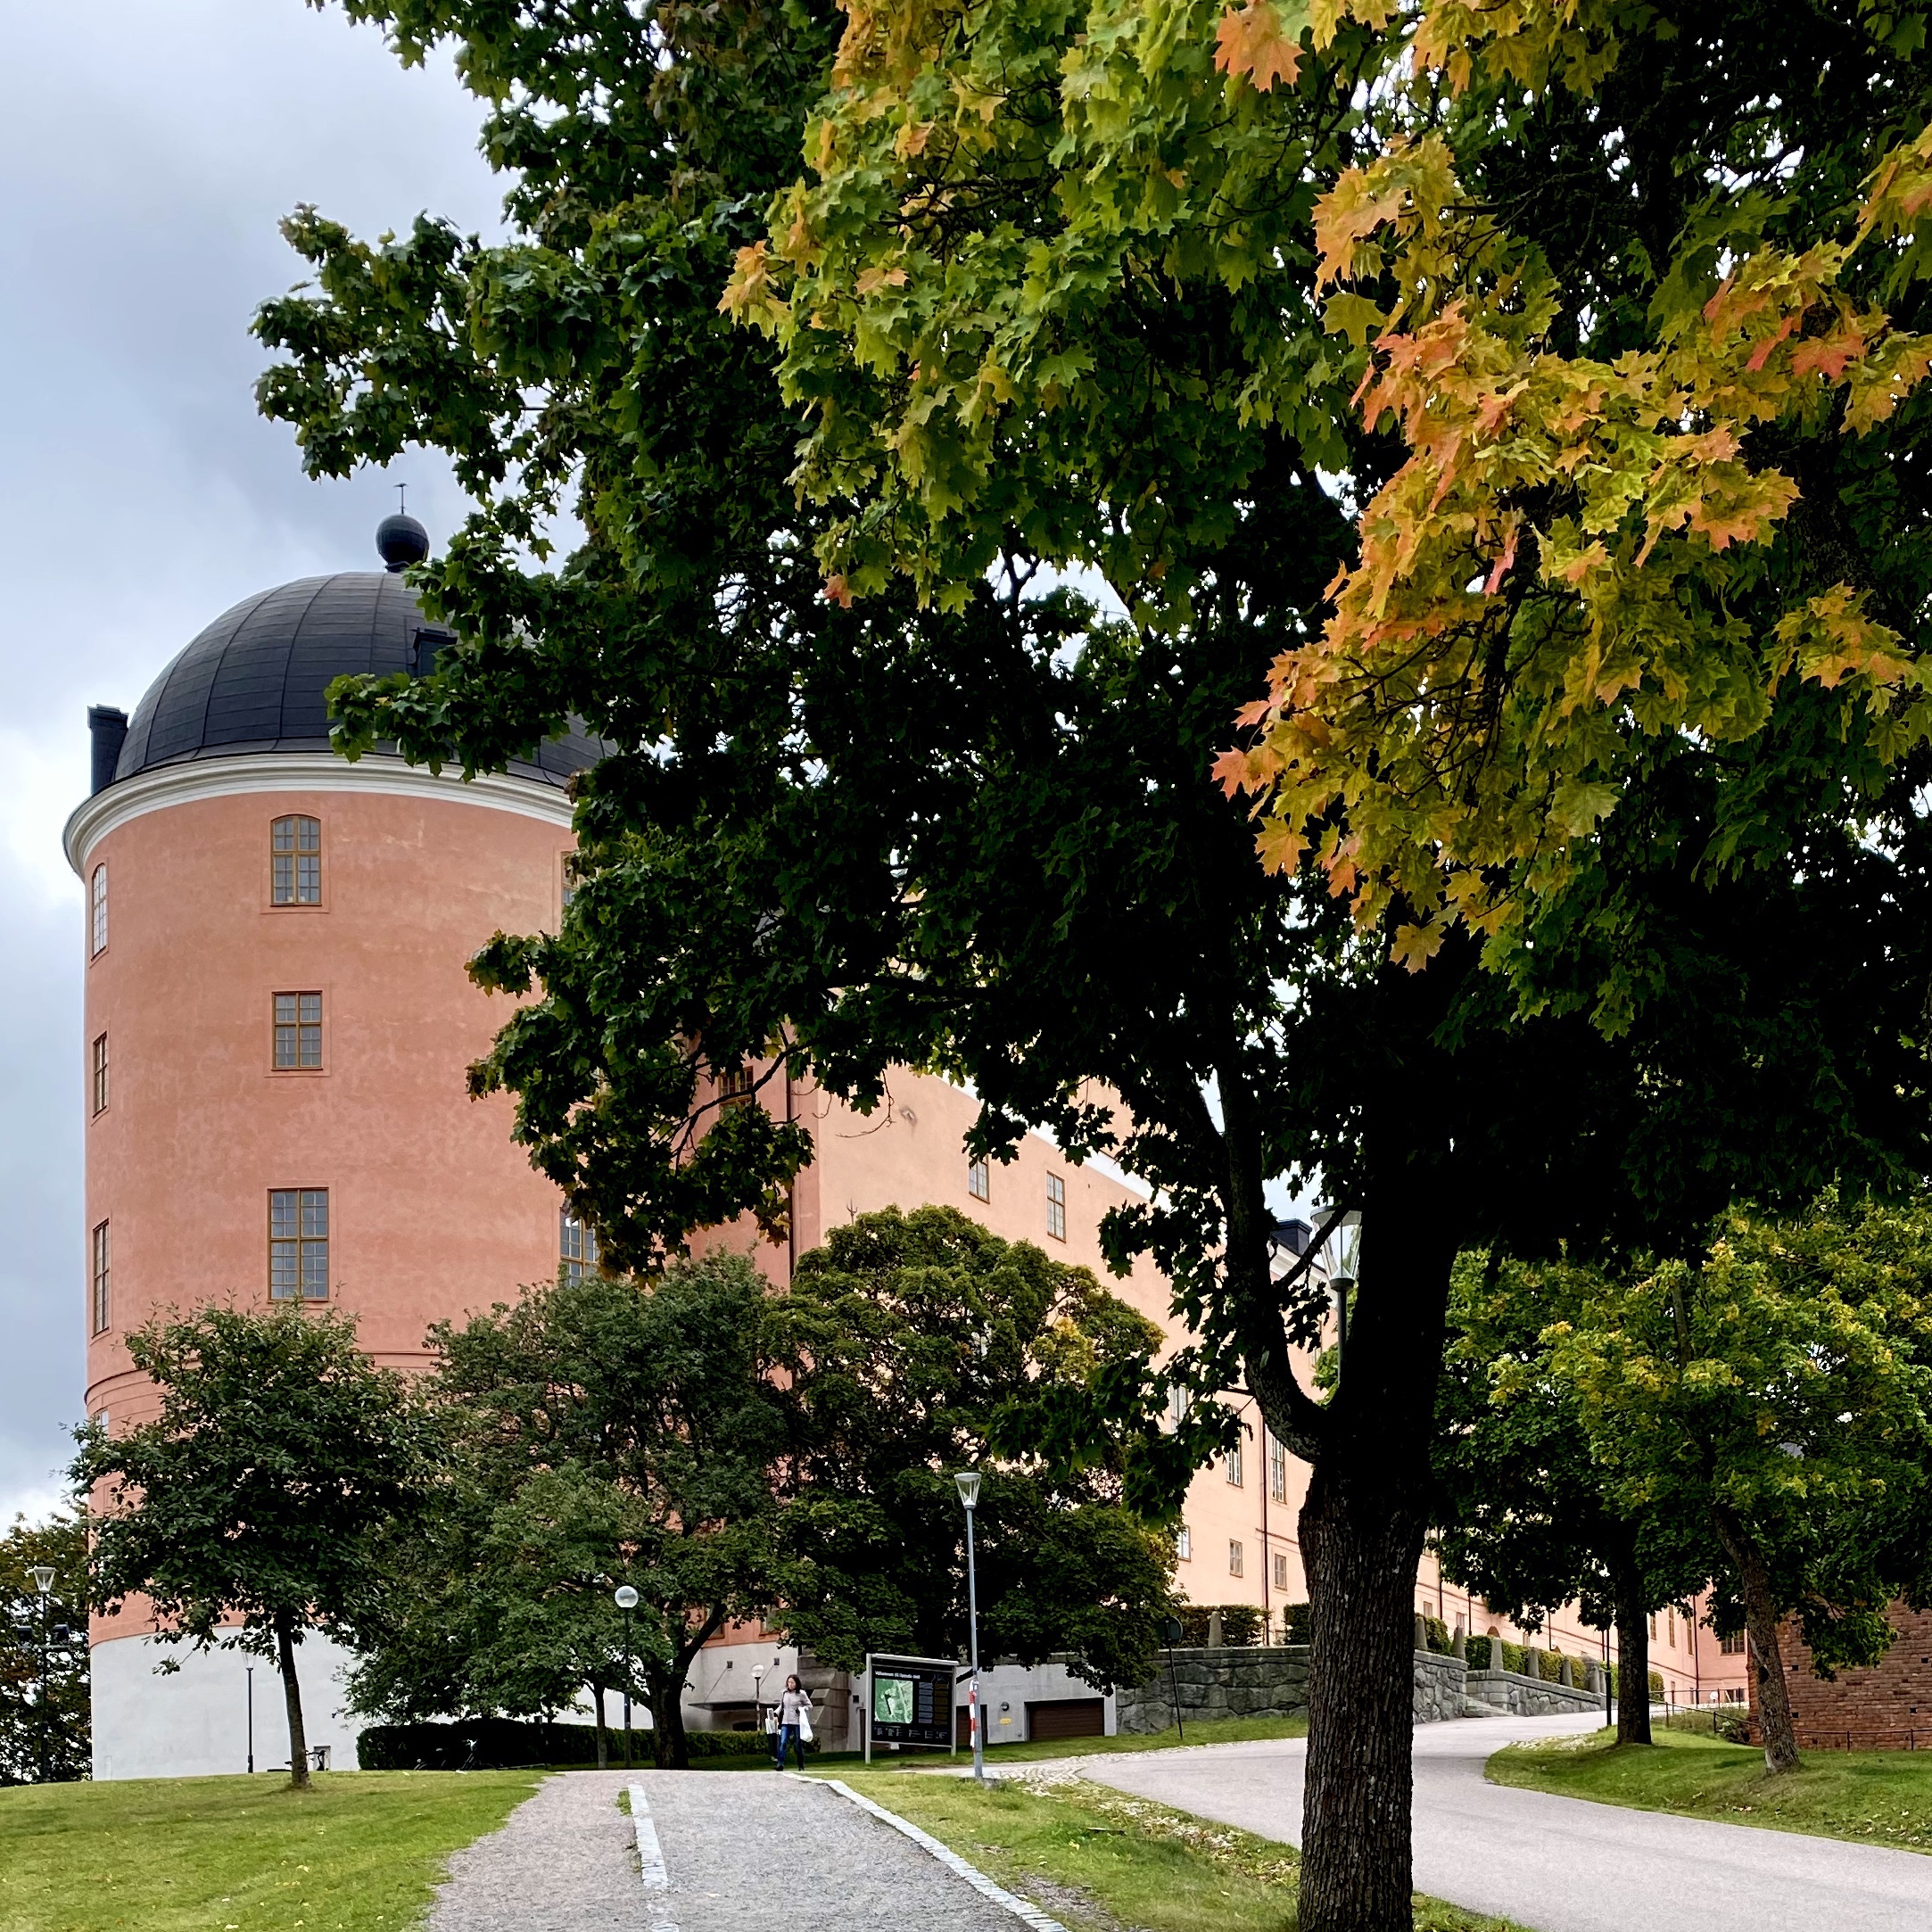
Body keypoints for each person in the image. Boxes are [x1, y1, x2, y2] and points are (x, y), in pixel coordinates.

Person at [772, 1672, 813, 1771]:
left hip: (797, 1722)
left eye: (792, 1683)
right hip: (786, 1722)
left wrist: (802, 1709)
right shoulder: (784, 1693)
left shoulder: (801, 1694)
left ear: (796, 1683)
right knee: (783, 1742)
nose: (790, 1684)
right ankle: (780, 1764)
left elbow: (809, 1706)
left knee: (798, 1745)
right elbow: (782, 1705)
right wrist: (776, 1713)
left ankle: (801, 1765)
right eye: (789, 1682)